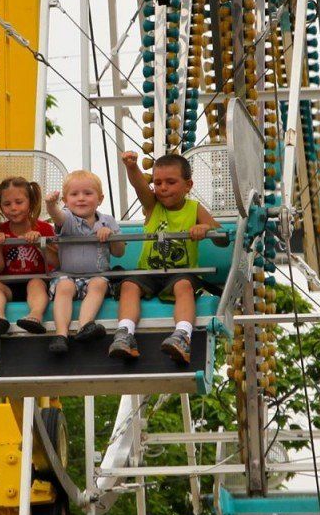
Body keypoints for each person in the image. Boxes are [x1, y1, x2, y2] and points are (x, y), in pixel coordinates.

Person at [109, 152, 220, 363]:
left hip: (180, 273)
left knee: (184, 286)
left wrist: (206, 227)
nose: (163, 188)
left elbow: (222, 238)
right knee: (128, 286)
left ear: (188, 185)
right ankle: (125, 332)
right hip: (149, 271)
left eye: (170, 182)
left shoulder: (194, 209)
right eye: (157, 182)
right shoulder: (152, 205)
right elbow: (139, 186)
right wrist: (132, 167)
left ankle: (182, 334)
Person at [44, 170, 124, 354]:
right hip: (68, 276)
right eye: (74, 194)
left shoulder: (108, 221)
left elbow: (119, 252)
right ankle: (61, 335)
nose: (81, 198)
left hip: (96, 276)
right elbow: (57, 216)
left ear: (100, 198)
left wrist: (111, 237)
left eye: (88, 193)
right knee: (64, 287)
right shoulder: (68, 218)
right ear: (65, 200)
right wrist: (50, 205)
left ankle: (85, 326)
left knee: (99, 283)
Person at [0, 176, 57, 336]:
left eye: (19, 202)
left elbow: (57, 262)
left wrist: (39, 244)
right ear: (1, 206)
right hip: (9, 286)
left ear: (30, 202)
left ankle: (35, 316)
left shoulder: (44, 228)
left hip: (38, 282)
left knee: (36, 282)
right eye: (7, 204)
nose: (13, 208)